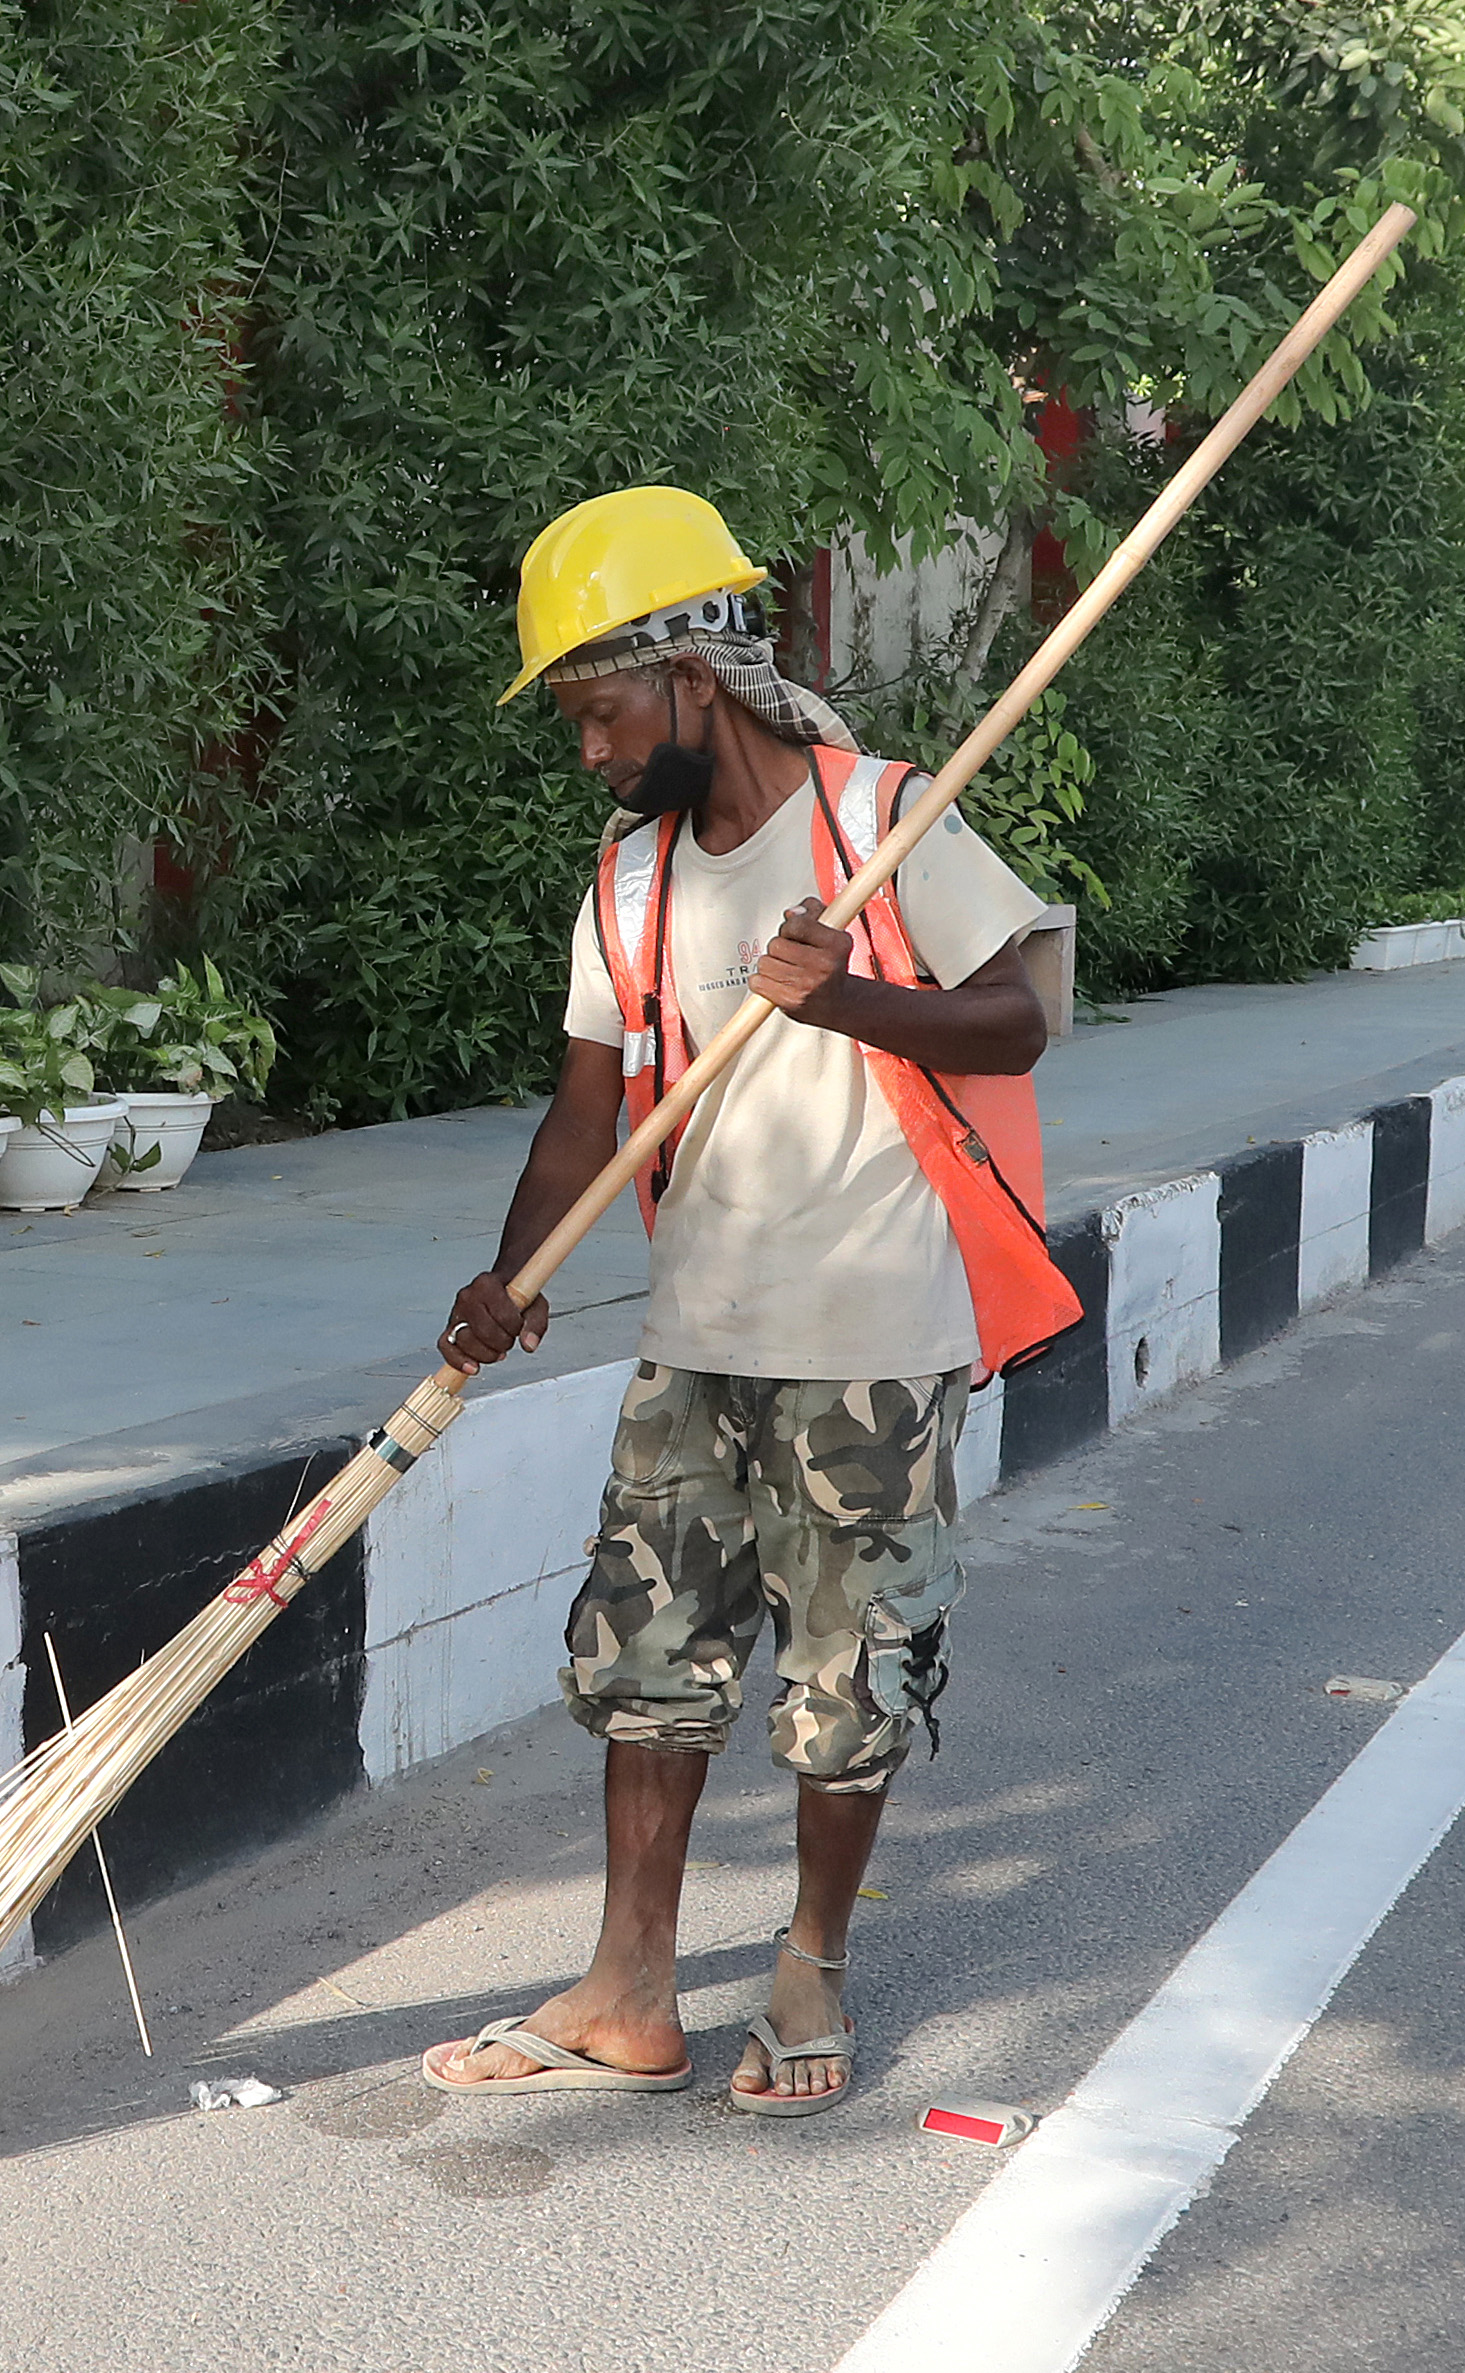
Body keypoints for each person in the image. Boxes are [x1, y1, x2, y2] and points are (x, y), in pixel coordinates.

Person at [417, 490, 1080, 2122]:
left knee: (846, 1692)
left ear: (692, 680)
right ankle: (630, 1990)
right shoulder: (632, 881)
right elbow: (585, 1113)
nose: (586, 751)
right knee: (645, 1670)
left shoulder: (884, 823)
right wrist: (514, 1275)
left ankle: (807, 1972)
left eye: (596, 712)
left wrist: (846, 992)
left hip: (871, 1350)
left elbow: (1023, 1018)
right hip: (692, 1349)